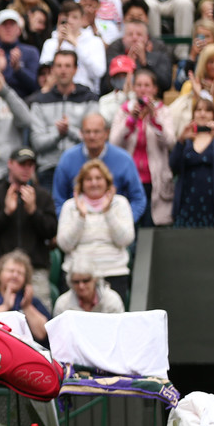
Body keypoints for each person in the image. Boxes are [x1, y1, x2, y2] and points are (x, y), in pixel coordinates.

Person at [0, 148, 58, 309]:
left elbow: (52, 231)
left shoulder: (43, 196)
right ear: (10, 164)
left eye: (30, 165)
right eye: (22, 164)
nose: (26, 169)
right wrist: (5, 213)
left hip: (35, 271)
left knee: (40, 325)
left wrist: (34, 212)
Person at [56, 159, 136, 305]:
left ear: (107, 182)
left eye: (98, 178)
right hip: (78, 277)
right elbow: (64, 245)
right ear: (81, 183)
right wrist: (81, 217)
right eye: (88, 179)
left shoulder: (120, 203)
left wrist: (108, 212)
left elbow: (125, 239)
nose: (94, 183)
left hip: (112, 272)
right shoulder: (70, 206)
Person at [110, 68, 176, 227]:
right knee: (129, 225)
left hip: (155, 180)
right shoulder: (124, 111)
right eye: (139, 85)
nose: (143, 89)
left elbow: (171, 142)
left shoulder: (164, 112)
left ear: (155, 89)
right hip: (129, 180)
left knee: (151, 227)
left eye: (147, 85)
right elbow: (113, 143)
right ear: (133, 88)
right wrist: (131, 121)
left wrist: (155, 119)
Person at [53, 113, 147, 222]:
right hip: (78, 228)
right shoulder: (67, 159)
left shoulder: (124, 160)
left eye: (96, 131)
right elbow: (58, 200)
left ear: (106, 133)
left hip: (115, 228)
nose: (92, 136)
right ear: (81, 133)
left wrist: (125, 223)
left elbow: (138, 199)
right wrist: (69, 224)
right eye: (87, 132)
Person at [29, 50, 100, 190]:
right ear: (53, 70)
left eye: (67, 66)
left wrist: (69, 131)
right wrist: (58, 134)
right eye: (59, 66)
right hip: (49, 169)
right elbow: (37, 143)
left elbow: (94, 138)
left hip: (82, 167)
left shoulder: (89, 99)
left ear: (75, 69)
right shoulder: (39, 102)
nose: (63, 70)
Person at [170, 97, 214, 228]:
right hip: (188, 204)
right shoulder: (187, 140)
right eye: (199, 110)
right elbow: (173, 166)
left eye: (207, 110)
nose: (202, 113)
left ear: (213, 115)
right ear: (193, 113)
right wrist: (181, 141)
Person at [0, 249, 50, 343]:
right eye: (11, 271)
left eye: (20, 273)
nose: (15, 275)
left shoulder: (33, 302)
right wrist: (5, 306)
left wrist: (27, 307)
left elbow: (42, 334)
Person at [52, 261, 125, 316]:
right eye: (76, 282)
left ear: (95, 279)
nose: (81, 286)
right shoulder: (62, 304)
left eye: (86, 280)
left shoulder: (112, 301)